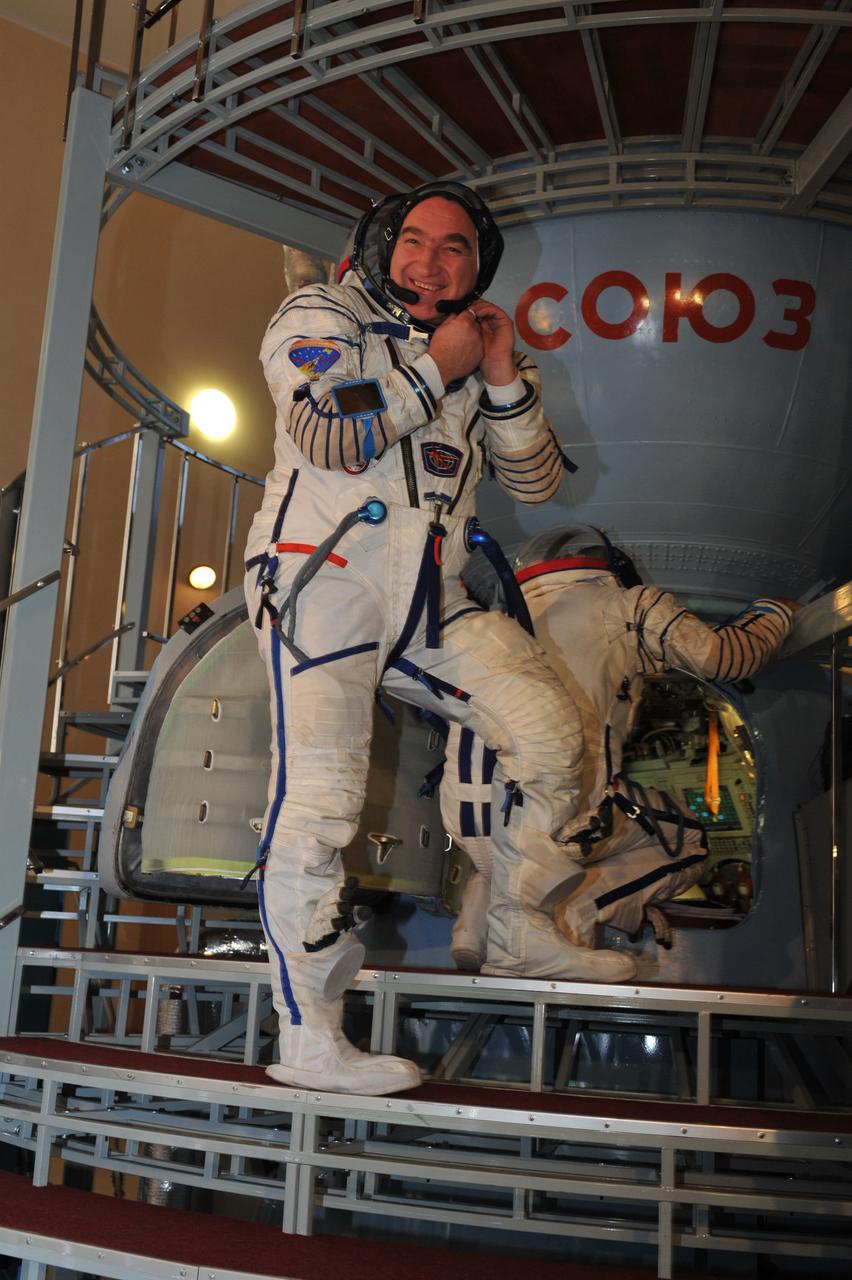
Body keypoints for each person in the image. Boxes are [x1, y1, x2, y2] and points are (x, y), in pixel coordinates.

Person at [244, 182, 613, 1098]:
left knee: (556, 735)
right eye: (415, 241)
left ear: (474, 267)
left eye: (454, 249)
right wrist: (438, 367)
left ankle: (520, 933)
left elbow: (537, 480)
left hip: (428, 597)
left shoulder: (470, 343)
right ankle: (310, 1036)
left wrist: (494, 370)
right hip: (320, 579)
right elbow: (329, 433)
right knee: (322, 798)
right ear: (382, 245)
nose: (431, 262)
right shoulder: (322, 313)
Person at [443, 525, 796, 972]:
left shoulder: (496, 616)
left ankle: (474, 920)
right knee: (689, 838)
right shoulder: (626, 606)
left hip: (466, 819)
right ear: (614, 574)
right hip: (551, 823)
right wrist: (776, 613)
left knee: (512, 806)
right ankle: (574, 914)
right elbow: (724, 657)